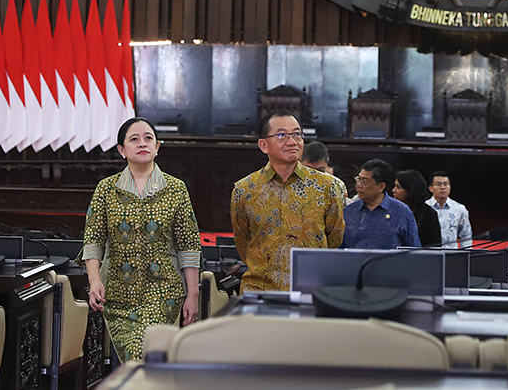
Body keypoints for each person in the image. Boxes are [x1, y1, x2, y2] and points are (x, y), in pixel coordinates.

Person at [80, 117, 201, 362]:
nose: (142, 143)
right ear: (122, 150)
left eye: (148, 138)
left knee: (142, 352)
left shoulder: (175, 188)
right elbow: (93, 239)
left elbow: (188, 244)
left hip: (162, 290)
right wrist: (94, 282)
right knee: (132, 359)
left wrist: (193, 294)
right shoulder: (106, 189)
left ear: (158, 146)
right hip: (117, 294)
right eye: (134, 139)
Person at [230, 110, 345, 292]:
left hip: (312, 288)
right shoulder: (245, 190)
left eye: (297, 134)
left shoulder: (327, 186)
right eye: (282, 135)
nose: (292, 142)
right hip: (260, 290)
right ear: (263, 145)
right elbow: (243, 241)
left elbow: (335, 236)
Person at [342, 159, 420, 249]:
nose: (359, 185)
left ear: (381, 186)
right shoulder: (349, 211)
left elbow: (414, 249)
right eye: (358, 180)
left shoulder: (401, 211)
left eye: (365, 182)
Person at [393, 170, 442, 247]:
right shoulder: (391, 210)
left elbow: (434, 248)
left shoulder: (429, 214)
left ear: (410, 191)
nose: (394, 190)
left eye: (398, 187)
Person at [426, 171, 473, 249]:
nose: (442, 187)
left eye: (446, 184)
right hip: (429, 254)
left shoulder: (459, 209)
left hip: (452, 255)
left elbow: (466, 235)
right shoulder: (424, 207)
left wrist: (465, 256)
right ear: (431, 188)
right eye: (438, 184)